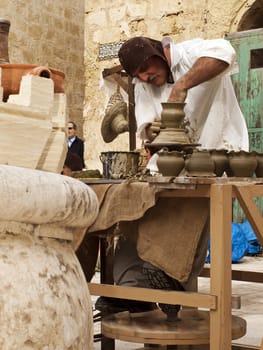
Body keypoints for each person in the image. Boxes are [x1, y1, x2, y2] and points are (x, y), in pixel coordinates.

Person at [95, 36, 249, 316]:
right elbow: (150, 131)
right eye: (138, 75)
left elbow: (225, 52)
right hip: (171, 160)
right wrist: (155, 132)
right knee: (134, 207)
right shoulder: (144, 84)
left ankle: (174, 285)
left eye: (146, 68)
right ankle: (131, 289)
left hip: (215, 155)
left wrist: (181, 86)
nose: (144, 76)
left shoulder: (191, 53)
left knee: (193, 213)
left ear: (160, 52)